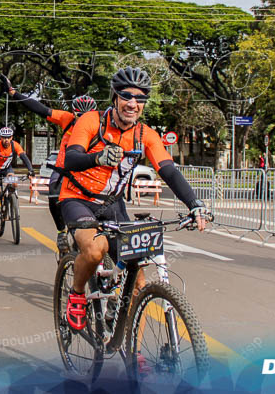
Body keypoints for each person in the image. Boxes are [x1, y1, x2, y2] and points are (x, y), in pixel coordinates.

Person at [57, 66, 208, 331]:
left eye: (140, 98)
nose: (133, 103)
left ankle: (134, 354)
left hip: (113, 204)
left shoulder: (145, 135)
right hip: (78, 198)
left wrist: (194, 204)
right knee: (94, 250)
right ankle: (77, 293)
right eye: (126, 96)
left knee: (139, 281)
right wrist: (98, 157)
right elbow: (70, 158)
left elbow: (168, 170)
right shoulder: (92, 121)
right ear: (114, 97)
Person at [1, 75, 96, 253]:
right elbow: (40, 108)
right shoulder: (66, 119)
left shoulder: (100, 124)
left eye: (87, 117)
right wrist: (14, 93)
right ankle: (61, 232)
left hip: (87, 171)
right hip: (62, 168)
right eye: (79, 116)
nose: (83, 120)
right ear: (74, 114)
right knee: (54, 196)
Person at [0, 126, 34, 234]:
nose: (6, 140)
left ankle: (11, 200)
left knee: (13, 182)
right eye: (4, 137)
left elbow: (24, 157)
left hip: (7, 169)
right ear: (0, 137)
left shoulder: (14, 145)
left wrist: (31, 171)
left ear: (11, 137)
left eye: (8, 137)